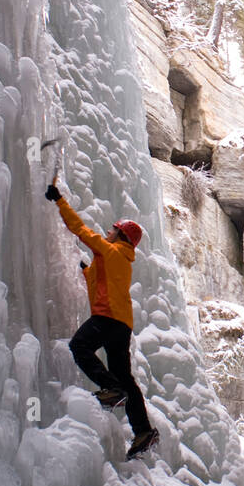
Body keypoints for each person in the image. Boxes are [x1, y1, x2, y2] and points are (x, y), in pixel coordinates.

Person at [45, 182, 159, 460]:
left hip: (107, 318)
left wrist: (59, 200)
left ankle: (111, 389)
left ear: (120, 235)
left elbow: (80, 230)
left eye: (112, 229)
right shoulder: (121, 259)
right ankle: (143, 430)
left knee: (79, 346)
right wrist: (84, 270)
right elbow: (100, 281)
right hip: (122, 325)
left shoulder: (110, 251)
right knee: (125, 376)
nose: (107, 232)